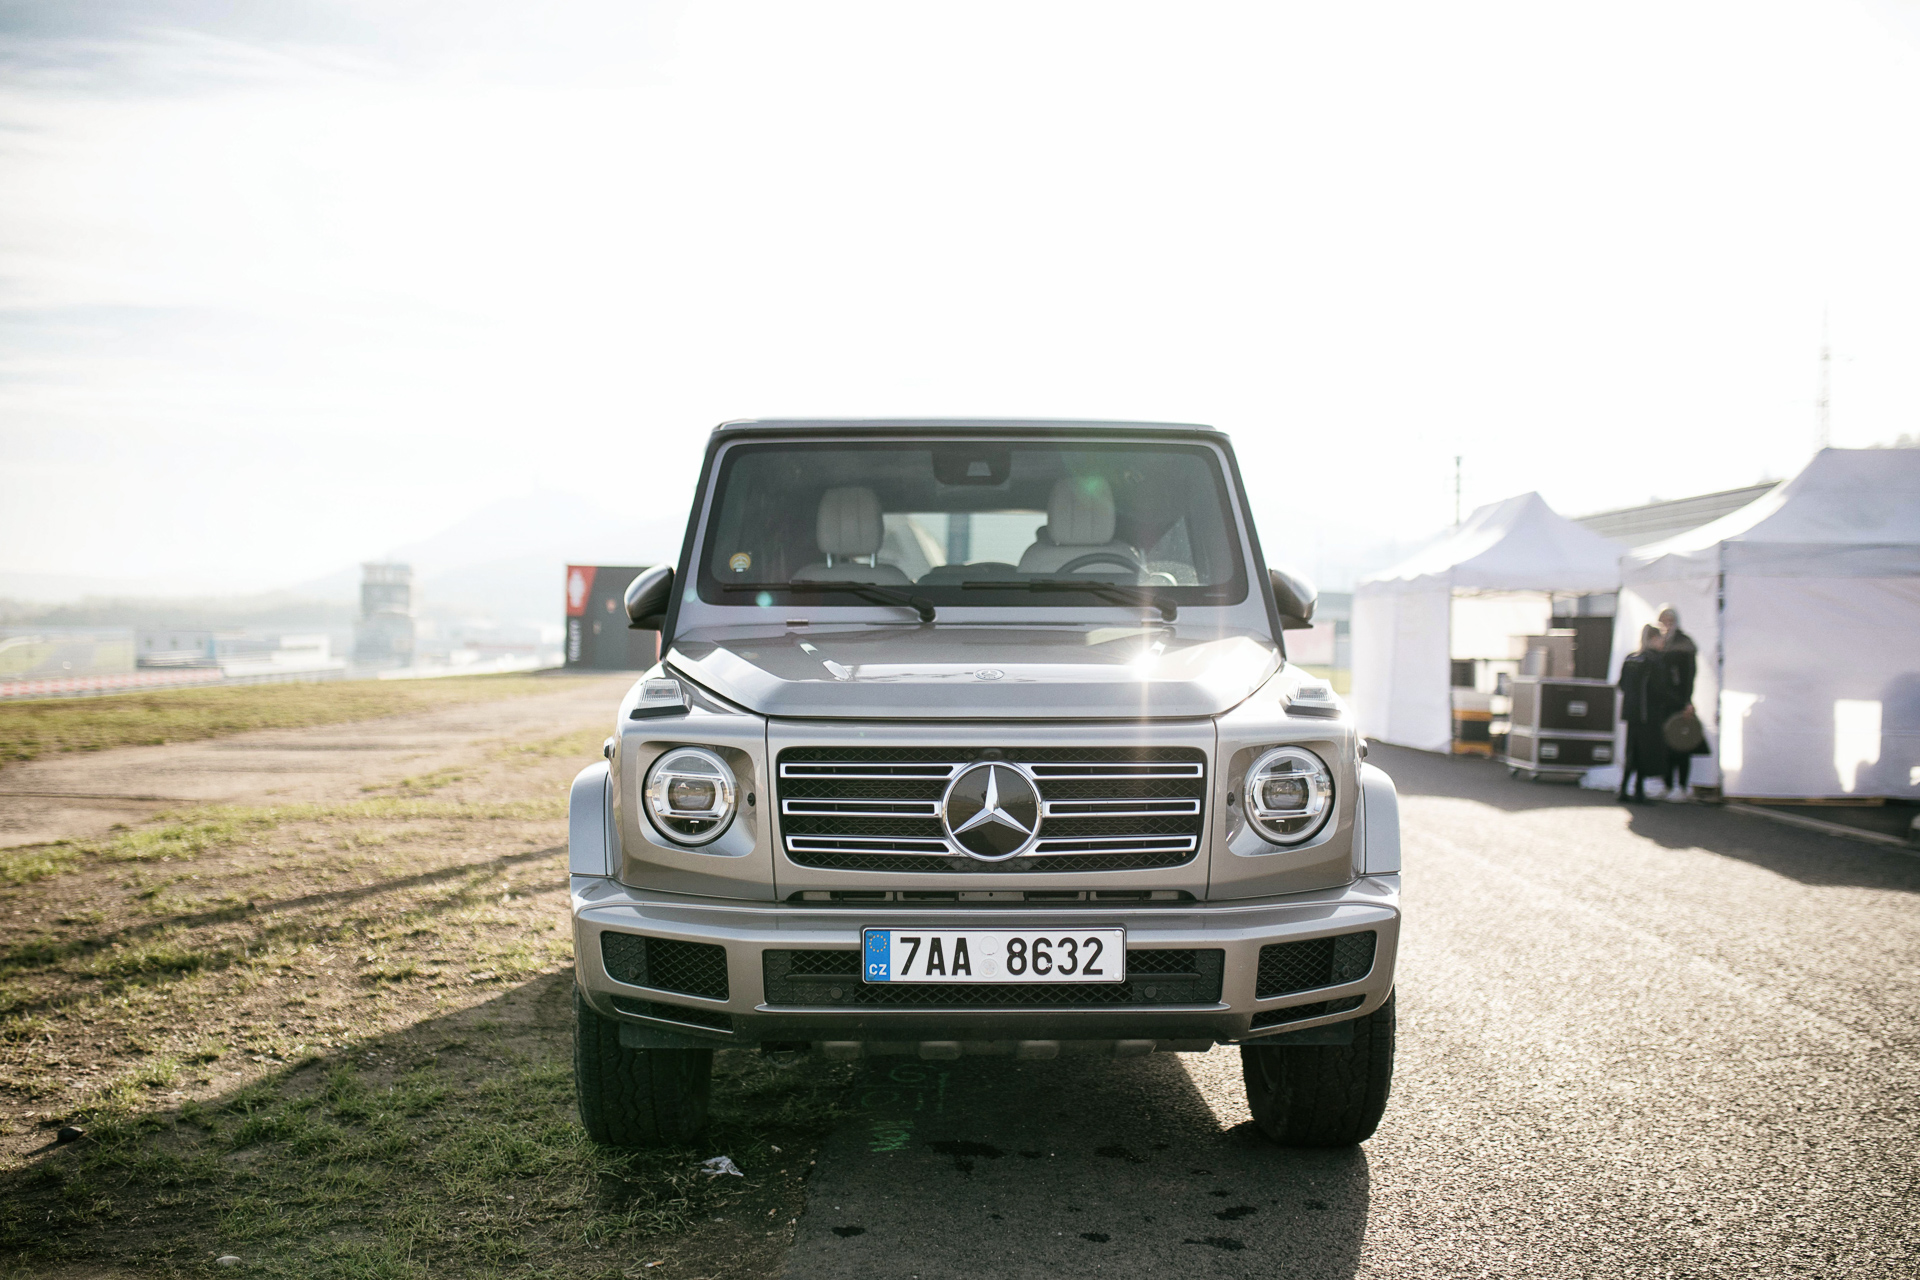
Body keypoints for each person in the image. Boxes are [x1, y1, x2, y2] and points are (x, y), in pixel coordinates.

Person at [1616, 623, 1669, 803]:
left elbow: (1621, 684)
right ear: (1653, 639)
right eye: (1661, 638)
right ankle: (1639, 791)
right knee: (1644, 753)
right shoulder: (1654, 660)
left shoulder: (1631, 658)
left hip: (1631, 713)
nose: (1663, 642)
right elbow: (1659, 690)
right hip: (1648, 714)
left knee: (1631, 751)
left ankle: (1624, 788)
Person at [1656, 604, 1701, 796]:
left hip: (1679, 701)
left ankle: (1682, 786)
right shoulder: (1659, 642)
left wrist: (1687, 701)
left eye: (1670, 620)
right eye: (1664, 620)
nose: (1667, 624)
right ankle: (1666, 784)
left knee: (1682, 743)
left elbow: (1689, 676)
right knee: (1664, 745)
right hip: (1662, 703)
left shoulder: (1684, 643)